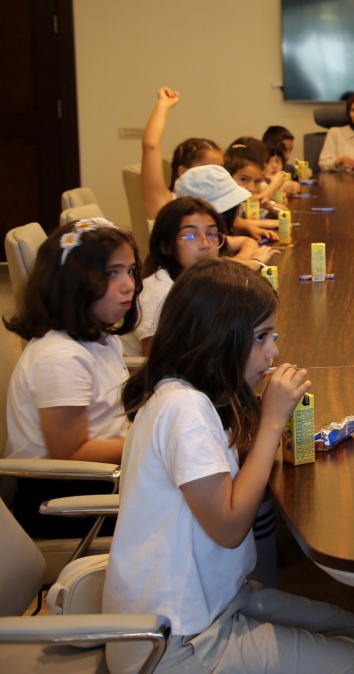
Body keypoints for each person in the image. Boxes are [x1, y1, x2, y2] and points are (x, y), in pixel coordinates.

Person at [105, 260, 354, 674]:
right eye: (261, 337)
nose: (273, 351)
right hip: (173, 639)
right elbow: (231, 527)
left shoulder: (189, 393)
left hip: (214, 600)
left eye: (274, 336)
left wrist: (268, 425)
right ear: (217, 337)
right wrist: (271, 421)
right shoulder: (184, 410)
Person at [3, 218, 139, 535]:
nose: (128, 284)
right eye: (111, 273)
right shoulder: (62, 358)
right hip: (64, 501)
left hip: (103, 476)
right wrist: (150, 439)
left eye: (131, 271)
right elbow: (72, 454)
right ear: (71, 282)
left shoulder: (101, 337)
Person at [133, 197, 227, 354]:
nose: (205, 245)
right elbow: (154, 359)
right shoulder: (158, 291)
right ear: (166, 247)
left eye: (211, 234)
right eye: (190, 237)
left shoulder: (200, 278)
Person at [139, 87, 224, 222]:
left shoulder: (220, 202)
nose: (218, 176)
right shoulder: (165, 205)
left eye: (220, 170)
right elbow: (150, 146)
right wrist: (163, 104)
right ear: (183, 172)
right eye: (209, 170)